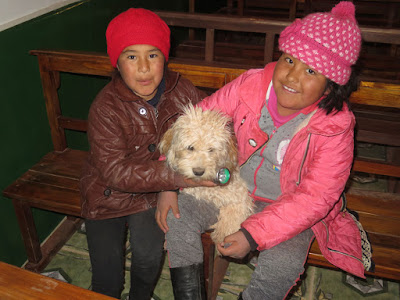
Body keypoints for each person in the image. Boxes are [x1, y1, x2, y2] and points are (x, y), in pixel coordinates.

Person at [156, 2, 368, 299]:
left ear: (330, 87)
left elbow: (316, 198)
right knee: (179, 219)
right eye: (289, 59)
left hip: (290, 208)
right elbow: (193, 122)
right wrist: (167, 181)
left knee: (281, 264)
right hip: (230, 187)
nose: (292, 77)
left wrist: (253, 234)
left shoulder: (335, 127)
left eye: (310, 70)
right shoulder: (250, 86)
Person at [79, 8, 211, 299]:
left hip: (151, 195)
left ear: (165, 57)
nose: (143, 68)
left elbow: (208, 127)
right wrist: (175, 179)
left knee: (149, 257)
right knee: (107, 275)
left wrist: (169, 188)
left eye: (153, 55)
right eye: (131, 56)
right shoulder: (105, 107)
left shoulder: (184, 91)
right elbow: (115, 172)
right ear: (116, 61)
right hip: (106, 196)